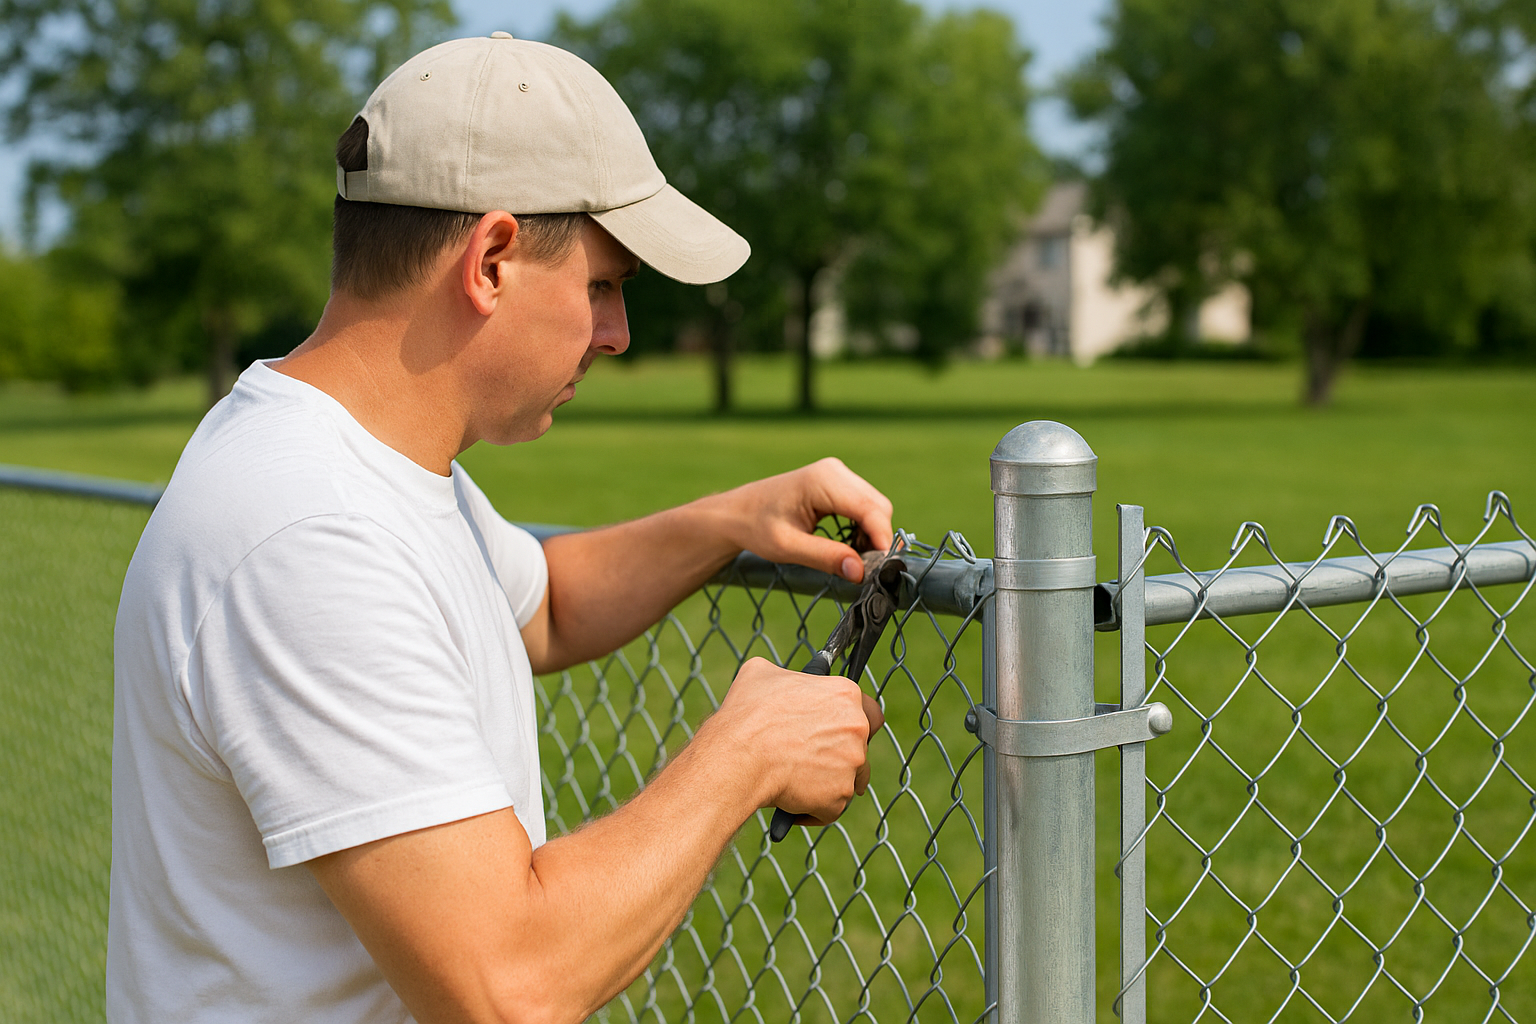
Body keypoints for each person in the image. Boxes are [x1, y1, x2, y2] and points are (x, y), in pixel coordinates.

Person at [108, 33, 892, 1024]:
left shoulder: (368, 466)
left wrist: (729, 519)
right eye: (604, 285)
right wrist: (747, 751)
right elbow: (508, 985)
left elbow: (543, 606)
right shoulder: (309, 531)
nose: (617, 334)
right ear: (491, 258)